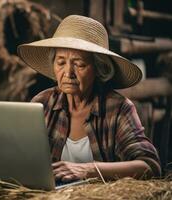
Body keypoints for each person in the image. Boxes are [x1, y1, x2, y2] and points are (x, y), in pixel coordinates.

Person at [17, 15, 161, 182]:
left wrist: (89, 169)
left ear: (98, 69)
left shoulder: (118, 108)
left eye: (79, 64)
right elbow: (21, 157)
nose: (68, 73)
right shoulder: (42, 103)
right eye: (61, 62)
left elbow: (150, 166)